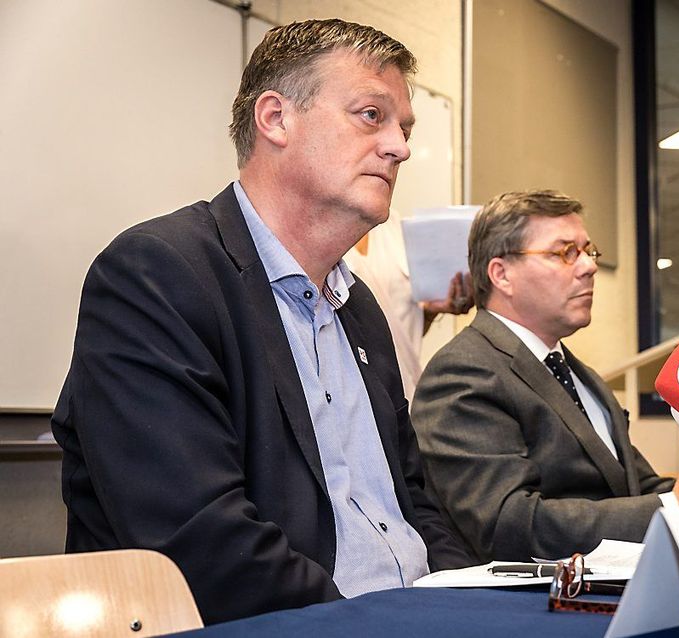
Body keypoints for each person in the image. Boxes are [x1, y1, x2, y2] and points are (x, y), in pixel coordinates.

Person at [51, 19, 470, 625]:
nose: (400, 147)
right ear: (275, 119)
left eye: (404, 128)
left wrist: (462, 598)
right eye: (371, 116)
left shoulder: (360, 310)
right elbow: (199, 544)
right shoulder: (156, 276)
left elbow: (417, 506)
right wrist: (384, 623)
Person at [410, 190, 679, 563]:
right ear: (502, 275)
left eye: (588, 251)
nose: (588, 267)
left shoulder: (580, 375)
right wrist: (675, 504)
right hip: (531, 607)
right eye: (564, 252)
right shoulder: (464, 370)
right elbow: (508, 525)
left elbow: (633, 486)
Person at [344, 208, 473, 400]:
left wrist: (429, 313)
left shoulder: (393, 225)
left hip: (406, 390)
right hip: (357, 396)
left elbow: (401, 331)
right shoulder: (328, 234)